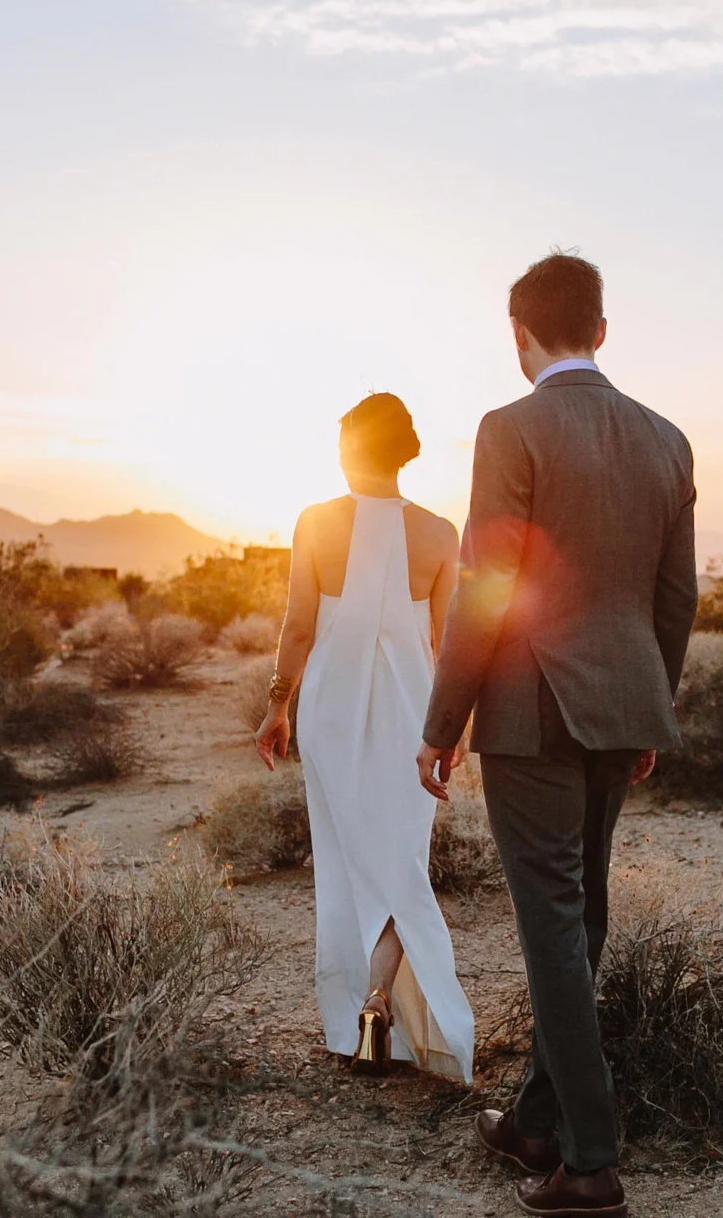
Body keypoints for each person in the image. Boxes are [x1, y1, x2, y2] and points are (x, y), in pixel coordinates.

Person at [417, 253, 696, 1218]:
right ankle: (538, 1121)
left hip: (532, 710)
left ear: (520, 337)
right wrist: (649, 703)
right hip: (621, 705)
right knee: (583, 920)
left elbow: (488, 586)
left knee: (552, 930)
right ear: (603, 332)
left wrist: (442, 721)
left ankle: (591, 1160)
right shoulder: (668, 440)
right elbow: (676, 597)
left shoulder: (511, 428)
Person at [255, 392, 476, 1083]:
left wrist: (277, 703)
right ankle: (381, 998)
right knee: (401, 859)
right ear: (404, 451)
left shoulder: (316, 522)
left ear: (350, 450)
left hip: (332, 708)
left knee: (352, 859)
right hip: (414, 710)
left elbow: (296, 626)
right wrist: (455, 723)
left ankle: (362, 1009)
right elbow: (445, 641)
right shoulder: (440, 533)